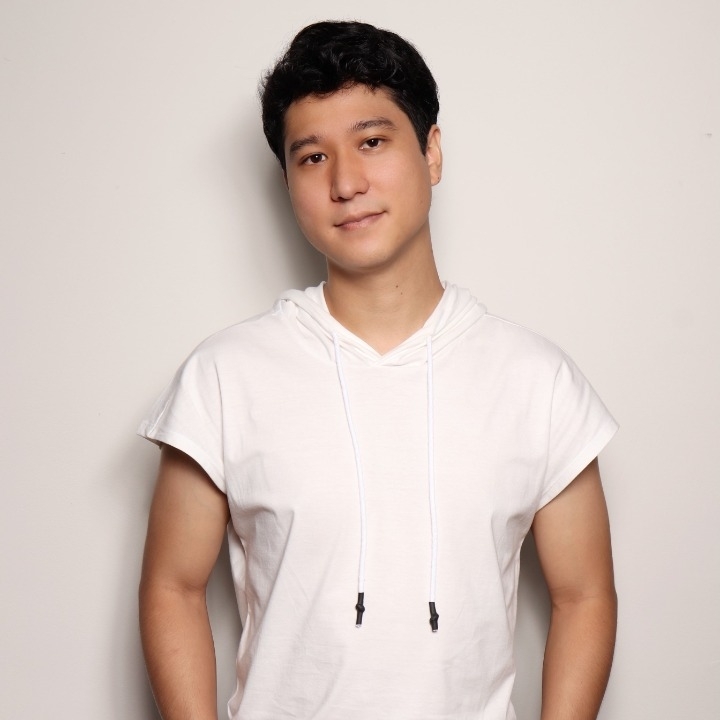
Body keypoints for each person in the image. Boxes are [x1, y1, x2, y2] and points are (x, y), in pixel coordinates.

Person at [138, 20, 618, 720]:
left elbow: (585, 596)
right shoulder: (224, 377)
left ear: (431, 152)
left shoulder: (537, 381)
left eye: (371, 142)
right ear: (288, 183)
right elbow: (172, 588)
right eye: (312, 157)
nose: (346, 182)